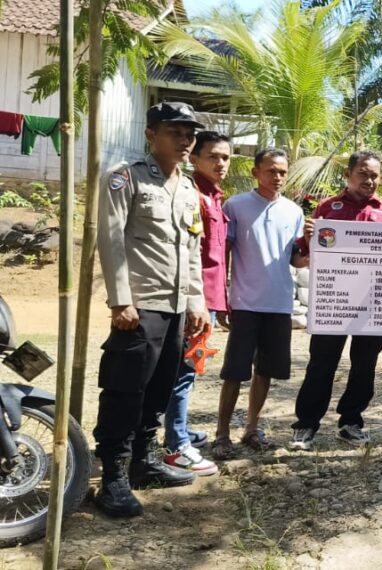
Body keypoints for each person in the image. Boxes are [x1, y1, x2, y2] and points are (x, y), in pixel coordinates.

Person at [93, 101, 209, 517]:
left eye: (189, 135)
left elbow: (192, 249)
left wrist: (195, 301)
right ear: (151, 135)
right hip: (140, 306)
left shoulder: (188, 188)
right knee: (125, 390)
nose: (184, 141)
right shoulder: (127, 178)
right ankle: (112, 477)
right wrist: (121, 300)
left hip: (175, 307)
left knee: (159, 389)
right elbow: (110, 239)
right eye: (175, 132)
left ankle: (143, 463)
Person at [289, 151, 382, 449]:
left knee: (365, 365)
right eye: (363, 173)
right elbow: (303, 258)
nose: (369, 180)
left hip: (375, 303)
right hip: (334, 302)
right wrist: (310, 238)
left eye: (375, 175)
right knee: (321, 363)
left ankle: (351, 421)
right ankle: (306, 423)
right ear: (348, 175)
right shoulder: (328, 208)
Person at [212, 148, 306, 458]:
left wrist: (315, 245)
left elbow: (296, 259)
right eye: (271, 171)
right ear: (256, 172)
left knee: (264, 371)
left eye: (282, 172)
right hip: (244, 303)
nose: (277, 177)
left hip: (279, 304)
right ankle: (222, 434)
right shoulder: (236, 205)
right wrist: (222, 297)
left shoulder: (294, 211)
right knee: (234, 372)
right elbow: (223, 253)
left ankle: (252, 428)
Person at [162, 131, 231, 477]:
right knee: (183, 372)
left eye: (226, 157)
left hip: (211, 301)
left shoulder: (215, 197)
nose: (221, 163)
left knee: (189, 369)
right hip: (195, 302)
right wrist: (197, 304)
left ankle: (179, 430)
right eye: (213, 156)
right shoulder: (192, 196)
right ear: (194, 158)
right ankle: (176, 445)